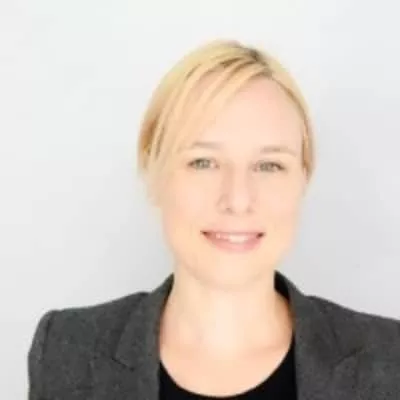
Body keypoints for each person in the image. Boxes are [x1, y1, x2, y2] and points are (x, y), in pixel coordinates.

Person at [28, 39, 400, 400]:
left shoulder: (389, 358)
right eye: (203, 162)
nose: (238, 200)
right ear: (153, 173)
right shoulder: (67, 352)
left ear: (304, 179)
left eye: (269, 165)